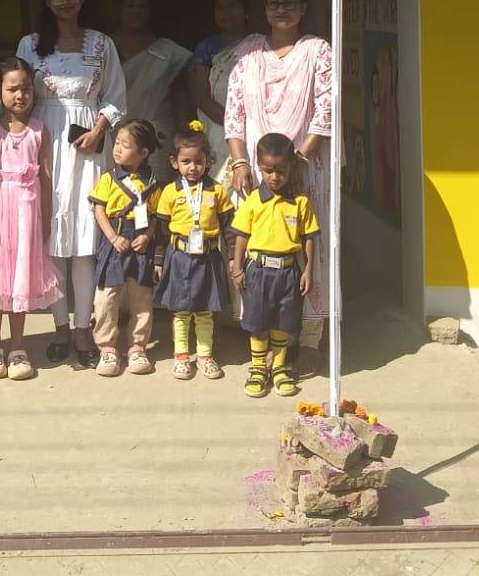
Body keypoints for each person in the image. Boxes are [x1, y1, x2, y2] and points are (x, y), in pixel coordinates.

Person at [224, 0, 333, 376]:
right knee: (260, 250)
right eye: (274, 2)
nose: (282, 9)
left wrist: (297, 163)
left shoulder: (317, 51)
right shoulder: (247, 55)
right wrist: (240, 164)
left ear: (303, 9)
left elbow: (325, 111)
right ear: (264, 10)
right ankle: (266, 340)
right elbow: (234, 115)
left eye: (289, 2)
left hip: (306, 169)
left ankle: (309, 341)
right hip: (258, 173)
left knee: (308, 249)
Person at [17, 0, 126, 368]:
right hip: (44, 144)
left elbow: (116, 96)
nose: (65, 1)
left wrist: (99, 130)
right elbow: (16, 93)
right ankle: (60, 327)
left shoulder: (102, 43)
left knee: (84, 240)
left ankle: (83, 329)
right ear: (47, 1)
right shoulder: (30, 45)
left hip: (88, 148)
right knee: (52, 239)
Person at [0, 58, 61, 382]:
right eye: (12, 89)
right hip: (0, 213)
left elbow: (46, 176)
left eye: (26, 88)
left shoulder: (38, 129)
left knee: (20, 277)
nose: (20, 95)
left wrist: (46, 218)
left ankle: (17, 347)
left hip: (28, 215)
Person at [230, 131, 319, 399]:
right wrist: (237, 267)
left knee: (282, 323)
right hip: (258, 272)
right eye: (268, 170)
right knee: (258, 323)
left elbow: (309, 238)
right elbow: (241, 236)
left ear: (292, 167)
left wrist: (308, 271)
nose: (275, 177)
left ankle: (279, 368)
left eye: (281, 171)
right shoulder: (252, 201)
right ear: (258, 166)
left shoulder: (300, 203)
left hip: (289, 272)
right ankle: (258, 368)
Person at [152, 119, 234, 381]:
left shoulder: (217, 191)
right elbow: (160, 232)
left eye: (199, 161)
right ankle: (181, 357)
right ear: (174, 162)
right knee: (181, 311)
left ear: (208, 161)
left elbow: (229, 227)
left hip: (208, 258)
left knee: (204, 311)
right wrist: (158, 260)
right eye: (186, 161)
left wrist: (233, 256)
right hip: (178, 258)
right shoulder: (169, 192)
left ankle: (205, 356)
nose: (193, 167)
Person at [89, 116, 161, 377]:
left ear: (143, 152)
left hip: (140, 245)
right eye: (117, 142)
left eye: (125, 145)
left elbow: (156, 215)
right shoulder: (109, 179)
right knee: (106, 296)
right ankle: (107, 347)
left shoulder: (152, 183)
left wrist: (148, 236)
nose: (117, 148)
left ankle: (137, 346)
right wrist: (112, 237)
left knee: (140, 296)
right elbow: (99, 210)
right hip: (115, 242)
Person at [111, 0, 192, 159]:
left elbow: (179, 96)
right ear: (119, 9)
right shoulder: (104, 47)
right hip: (113, 135)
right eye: (130, 5)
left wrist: (182, 136)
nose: (136, 11)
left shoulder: (168, 53)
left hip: (155, 136)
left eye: (143, 6)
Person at [188, 0, 251, 183]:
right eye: (220, 7)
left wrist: (250, 126)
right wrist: (235, 126)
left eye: (233, 6)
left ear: (246, 11)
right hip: (217, 127)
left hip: (253, 127)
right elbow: (201, 97)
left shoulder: (259, 45)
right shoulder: (206, 49)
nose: (227, 12)